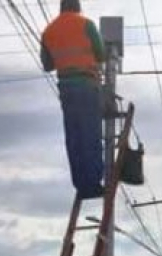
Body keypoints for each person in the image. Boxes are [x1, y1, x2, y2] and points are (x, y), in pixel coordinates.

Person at [41, 0, 106, 199]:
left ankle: (81, 185)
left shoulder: (48, 31)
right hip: (86, 84)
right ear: (77, 7)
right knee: (91, 134)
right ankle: (93, 184)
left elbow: (47, 65)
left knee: (74, 136)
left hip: (66, 88)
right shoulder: (86, 24)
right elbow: (102, 55)